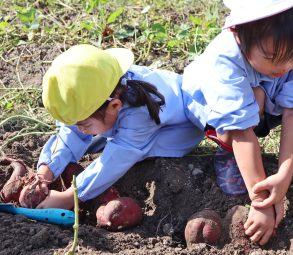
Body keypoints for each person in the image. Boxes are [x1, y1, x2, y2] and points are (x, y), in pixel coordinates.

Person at [182, 0, 293, 245]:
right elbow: (241, 132)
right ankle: (230, 160)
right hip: (225, 120)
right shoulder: (223, 58)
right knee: (254, 97)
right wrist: (262, 202)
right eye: (272, 56)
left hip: (272, 100)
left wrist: (285, 175)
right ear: (239, 34)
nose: (285, 66)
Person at [15, 44, 204, 229]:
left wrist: (70, 197)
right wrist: (45, 173)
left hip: (176, 130)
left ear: (114, 107)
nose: (80, 129)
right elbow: (69, 131)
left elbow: (116, 159)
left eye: (83, 124)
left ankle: (146, 152)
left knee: (133, 153)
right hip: (119, 124)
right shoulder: (100, 88)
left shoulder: (141, 114)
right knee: (86, 137)